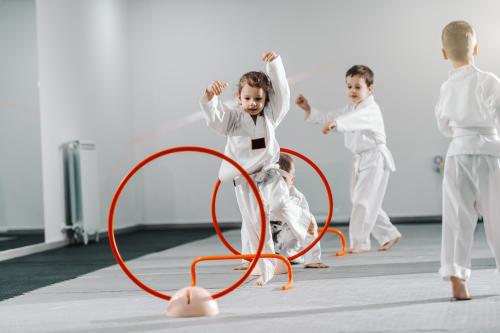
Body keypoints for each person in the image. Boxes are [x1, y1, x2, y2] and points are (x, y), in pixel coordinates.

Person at [201, 51, 303, 285]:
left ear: (266, 99)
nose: (253, 103)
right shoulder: (233, 120)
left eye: (258, 99)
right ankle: (262, 265)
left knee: (278, 208)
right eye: (247, 99)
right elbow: (215, 117)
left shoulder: (271, 117)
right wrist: (210, 96)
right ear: (239, 97)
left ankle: (300, 231)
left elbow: (283, 96)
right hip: (245, 182)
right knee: (254, 223)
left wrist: (274, 65)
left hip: (270, 177)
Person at [296, 65, 401, 254]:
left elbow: (353, 119)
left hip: (374, 158)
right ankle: (389, 234)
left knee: (363, 200)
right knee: (361, 199)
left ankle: (359, 242)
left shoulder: (370, 109)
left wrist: (337, 124)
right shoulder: (351, 108)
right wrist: (309, 109)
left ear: (370, 89)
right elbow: (332, 116)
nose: (352, 90)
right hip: (361, 159)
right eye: (349, 86)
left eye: (357, 87)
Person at [436, 20, 500, 300]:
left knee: (458, 217)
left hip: (458, 151)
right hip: (489, 151)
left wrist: (460, 135)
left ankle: (457, 275)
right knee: (497, 215)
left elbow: (443, 125)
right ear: (476, 48)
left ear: (444, 53)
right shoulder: (489, 80)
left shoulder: (446, 87)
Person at [271, 153, 329, 268]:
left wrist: (312, 258)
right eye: (275, 181)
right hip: (267, 255)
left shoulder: (297, 198)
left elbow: (308, 227)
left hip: (292, 252)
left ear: (292, 180)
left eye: (283, 180)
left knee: (308, 221)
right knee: (251, 220)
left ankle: (312, 259)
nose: (279, 186)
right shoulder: (262, 197)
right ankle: (251, 258)